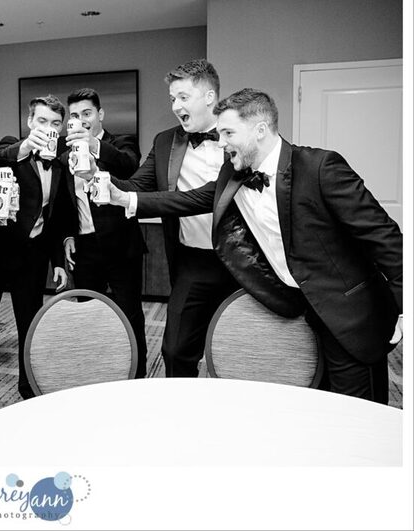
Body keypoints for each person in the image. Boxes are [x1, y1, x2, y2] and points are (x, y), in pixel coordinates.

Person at [104, 88, 403, 403]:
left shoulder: (319, 167)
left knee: (356, 414)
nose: (221, 143)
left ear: (260, 130)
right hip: (300, 314)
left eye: (229, 132)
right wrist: (122, 197)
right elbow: (184, 200)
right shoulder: (232, 177)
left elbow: (386, 240)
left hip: (350, 315)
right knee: (316, 406)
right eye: (219, 133)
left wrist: (402, 311)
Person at [104, 60, 237, 378]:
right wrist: (100, 178)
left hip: (241, 260)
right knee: (175, 351)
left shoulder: (238, 135)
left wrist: (127, 198)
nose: (175, 106)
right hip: (193, 263)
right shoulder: (166, 142)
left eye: (183, 97)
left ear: (208, 97)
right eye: (172, 99)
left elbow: (214, 196)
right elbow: (135, 186)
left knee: (240, 351)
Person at [0, 95, 70, 411]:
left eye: (55, 123)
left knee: (28, 324)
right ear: (30, 122)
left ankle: (26, 389)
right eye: (43, 121)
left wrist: (58, 262)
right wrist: (24, 148)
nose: (49, 128)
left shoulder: (61, 162)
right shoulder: (12, 147)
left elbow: (56, 217)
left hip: (32, 256)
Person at [59, 88, 148, 377]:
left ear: (100, 115)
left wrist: (93, 145)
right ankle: (94, 375)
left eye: (87, 114)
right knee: (88, 315)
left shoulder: (120, 143)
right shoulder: (62, 152)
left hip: (122, 248)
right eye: (74, 115)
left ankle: (137, 378)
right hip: (84, 249)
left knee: (130, 316)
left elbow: (129, 165)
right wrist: (68, 236)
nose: (81, 120)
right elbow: (63, 203)